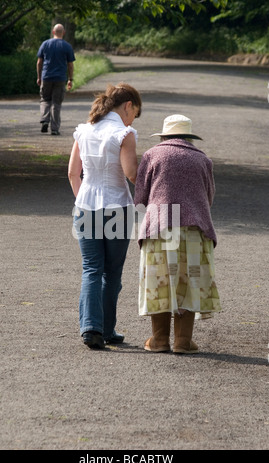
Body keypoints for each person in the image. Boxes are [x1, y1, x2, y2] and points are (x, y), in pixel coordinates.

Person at [134, 114, 221, 354]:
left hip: (160, 227)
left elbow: (140, 198)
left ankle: (160, 340)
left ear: (164, 136)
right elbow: (208, 197)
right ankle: (183, 341)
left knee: (160, 281)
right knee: (189, 281)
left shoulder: (152, 155)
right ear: (189, 137)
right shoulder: (203, 159)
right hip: (195, 228)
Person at [68, 83, 142, 349]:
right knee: (112, 273)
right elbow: (132, 174)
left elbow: (73, 174)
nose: (133, 119)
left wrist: (83, 201)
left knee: (91, 269)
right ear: (128, 106)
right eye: (135, 113)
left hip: (85, 206)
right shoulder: (124, 133)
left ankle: (90, 327)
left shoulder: (84, 131)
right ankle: (107, 329)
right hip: (117, 207)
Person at [36, 23, 75, 135]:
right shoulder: (67, 46)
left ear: (53, 32)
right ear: (64, 33)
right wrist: (70, 79)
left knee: (45, 100)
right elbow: (70, 65)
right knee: (56, 103)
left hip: (46, 77)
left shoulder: (45, 44)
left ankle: (44, 120)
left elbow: (39, 62)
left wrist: (39, 77)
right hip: (60, 78)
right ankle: (54, 129)